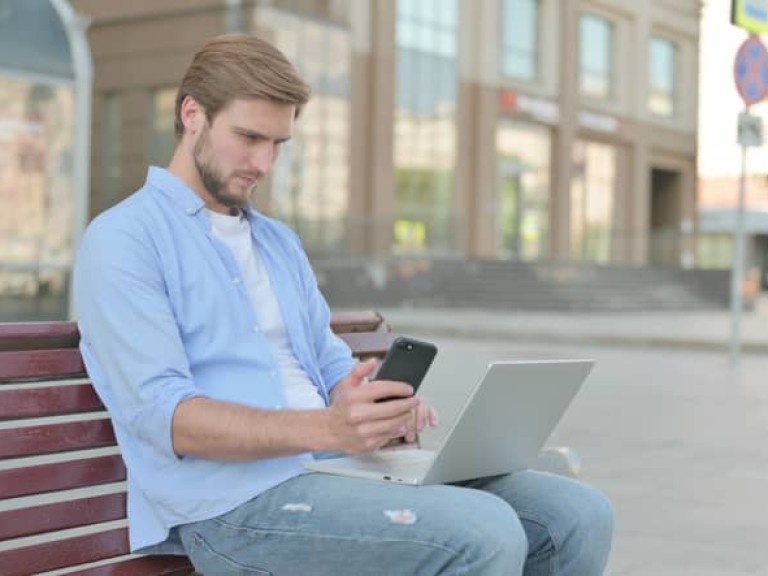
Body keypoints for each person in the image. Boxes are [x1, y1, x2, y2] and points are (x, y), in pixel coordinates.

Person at [74, 33, 614, 575]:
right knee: (480, 532)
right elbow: (164, 418)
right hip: (229, 509)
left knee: (575, 513)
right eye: (249, 137)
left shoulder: (277, 243)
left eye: (279, 143)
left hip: (337, 469)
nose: (264, 163)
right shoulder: (125, 239)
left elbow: (329, 362)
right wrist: (328, 429)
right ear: (192, 113)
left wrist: (371, 403)